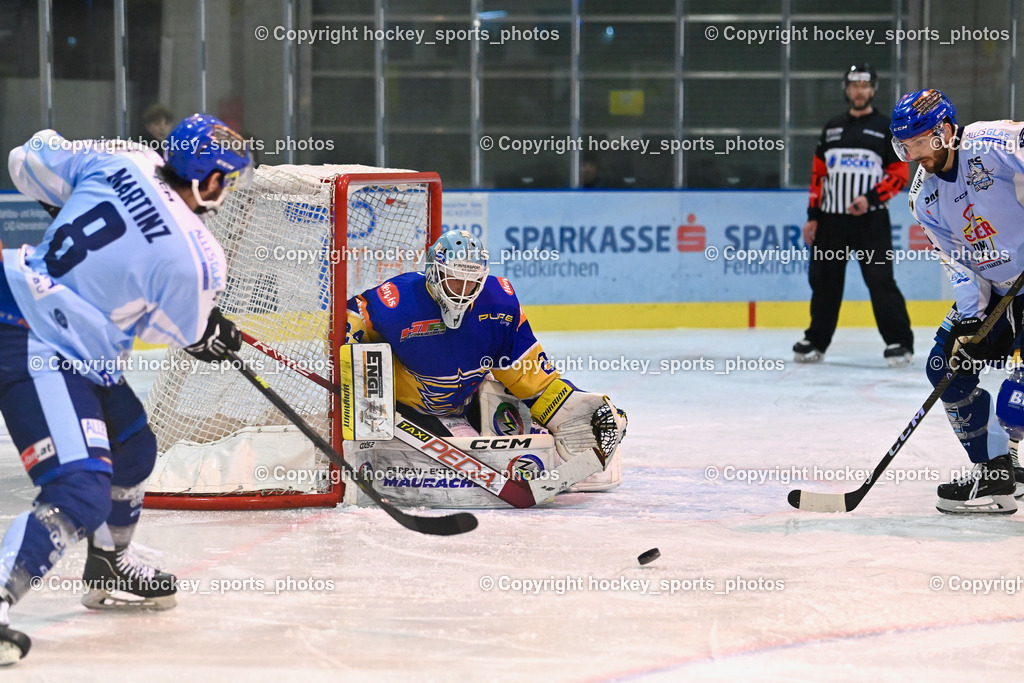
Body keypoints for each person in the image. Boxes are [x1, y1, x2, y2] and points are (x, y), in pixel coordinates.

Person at [0, 114, 251, 662]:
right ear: (209, 182)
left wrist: (69, 201)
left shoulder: (123, 157)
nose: (225, 192)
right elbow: (178, 333)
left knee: (132, 447)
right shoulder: (199, 257)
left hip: (34, 304)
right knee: (79, 493)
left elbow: (28, 159)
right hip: (36, 339)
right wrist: (210, 330)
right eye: (226, 182)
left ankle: (109, 563)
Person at [344, 229, 626, 491]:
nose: (464, 289)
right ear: (433, 273)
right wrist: (351, 354)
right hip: (409, 410)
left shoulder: (499, 302)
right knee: (470, 453)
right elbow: (354, 312)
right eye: (455, 278)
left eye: (473, 281)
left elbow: (528, 372)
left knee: (528, 433)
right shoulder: (397, 302)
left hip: (467, 400)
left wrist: (574, 406)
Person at [891, 87, 1024, 514]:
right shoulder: (924, 198)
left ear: (946, 129)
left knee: (1016, 398)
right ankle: (996, 472)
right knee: (944, 365)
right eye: (905, 146)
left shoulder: (992, 142)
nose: (915, 155)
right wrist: (971, 318)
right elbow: (957, 260)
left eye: (921, 142)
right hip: (997, 288)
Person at [794, 63, 915, 367]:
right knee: (824, 282)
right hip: (831, 221)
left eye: (865, 85)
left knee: (880, 280)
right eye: (853, 85)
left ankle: (899, 342)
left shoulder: (886, 129)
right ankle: (816, 340)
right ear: (846, 89)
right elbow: (817, 175)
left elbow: (900, 173)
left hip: (870, 220)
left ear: (873, 89)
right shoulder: (832, 128)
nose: (859, 90)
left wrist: (870, 198)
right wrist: (813, 216)